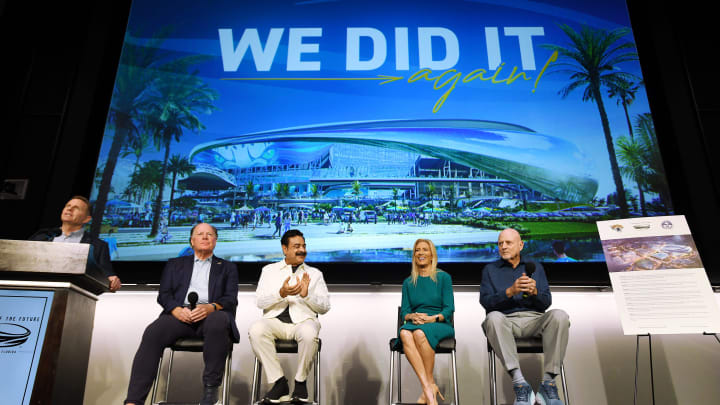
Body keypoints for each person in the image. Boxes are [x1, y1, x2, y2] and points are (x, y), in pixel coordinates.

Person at [124, 223, 239, 405]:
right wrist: (176, 310)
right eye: (200, 234)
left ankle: (210, 393)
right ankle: (133, 401)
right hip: (180, 315)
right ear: (192, 241)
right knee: (153, 331)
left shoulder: (227, 267)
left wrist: (211, 307)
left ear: (215, 241)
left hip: (211, 316)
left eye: (209, 234)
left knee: (219, 320)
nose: (205, 237)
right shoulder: (175, 264)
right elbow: (164, 295)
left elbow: (230, 299)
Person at [480, 228, 570, 405]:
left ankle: (548, 383)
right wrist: (509, 292)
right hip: (506, 321)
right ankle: (520, 384)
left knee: (560, 316)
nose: (503, 247)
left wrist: (535, 292)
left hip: (535, 319)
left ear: (520, 245)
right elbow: (486, 302)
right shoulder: (490, 269)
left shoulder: (536, 267)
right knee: (492, 318)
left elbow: (546, 302)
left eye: (508, 243)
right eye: (500, 244)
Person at [249, 229, 330, 403]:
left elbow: (324, 307)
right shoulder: (269, 270)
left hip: (304, 322)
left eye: (303, 246)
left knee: (309, 333)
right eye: (296, 246)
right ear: (285, 249)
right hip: (275, 322)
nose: (302, 250)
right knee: (256, 330)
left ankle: (300, 382)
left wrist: (307, 294)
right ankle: (279, 382)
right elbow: (260, 302)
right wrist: (281, 293)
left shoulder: (315, 274)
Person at [396, 239, 454, 405]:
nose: (421, 253)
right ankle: (429, 388)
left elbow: (449, 309)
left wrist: (431, 318)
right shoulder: (408, 282)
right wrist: (412, 317)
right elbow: (405, 312)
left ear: (432, 255)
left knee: (420, 333)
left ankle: (427, 389)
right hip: (416, 322)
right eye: (417, 250)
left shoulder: (443, 278)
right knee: (404, 333)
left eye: (425, 250)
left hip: (440, 323)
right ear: (414, 255)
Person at [29, 196, 121, 292]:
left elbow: (107, 275)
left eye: (76, 208)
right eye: (68, 206)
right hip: (36, 290)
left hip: (74, 293)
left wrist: (112, 280)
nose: (69, 208)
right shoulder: (42, 236)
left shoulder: (98, 246)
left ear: (86, 219)